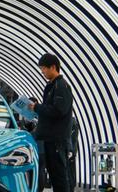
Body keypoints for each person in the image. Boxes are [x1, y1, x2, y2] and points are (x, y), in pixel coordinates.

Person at [28, 53, 73, 192]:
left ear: (53, 67)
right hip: (50, 140)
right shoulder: (53, 86)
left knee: (59, 177)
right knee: (54, 177)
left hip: (56, 141)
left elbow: (59, 111)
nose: (42, 72)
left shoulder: (60, 86)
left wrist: (38, 107)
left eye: (44, 68)